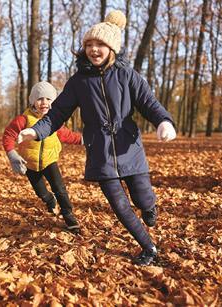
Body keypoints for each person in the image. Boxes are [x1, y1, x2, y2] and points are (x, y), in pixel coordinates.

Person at [18, 11, 177, 265]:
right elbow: (58, 112)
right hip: (100, 152)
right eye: (89, 45)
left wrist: (164, 121)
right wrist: (36, 131)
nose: (93, 49)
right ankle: (149, 247)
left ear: (112, 47)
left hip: (129, 148)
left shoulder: (127, 75)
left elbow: (148, 102)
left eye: (100, 44)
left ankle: (149, 208)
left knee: (143, 197)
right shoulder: (79, 82)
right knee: (119, 205)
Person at [3, 81, 83, 233]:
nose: (44, 102)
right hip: (30, 163)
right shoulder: (23, 120)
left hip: (49, 160)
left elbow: (67, 136)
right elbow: (8, 135)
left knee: (60, 189)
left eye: (48, 99)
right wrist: (12, 153)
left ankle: (68, 214)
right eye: (40, 99)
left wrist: (84, 140)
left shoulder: (54, 121)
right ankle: (49, 199)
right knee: (41, 192)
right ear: (32, 100)